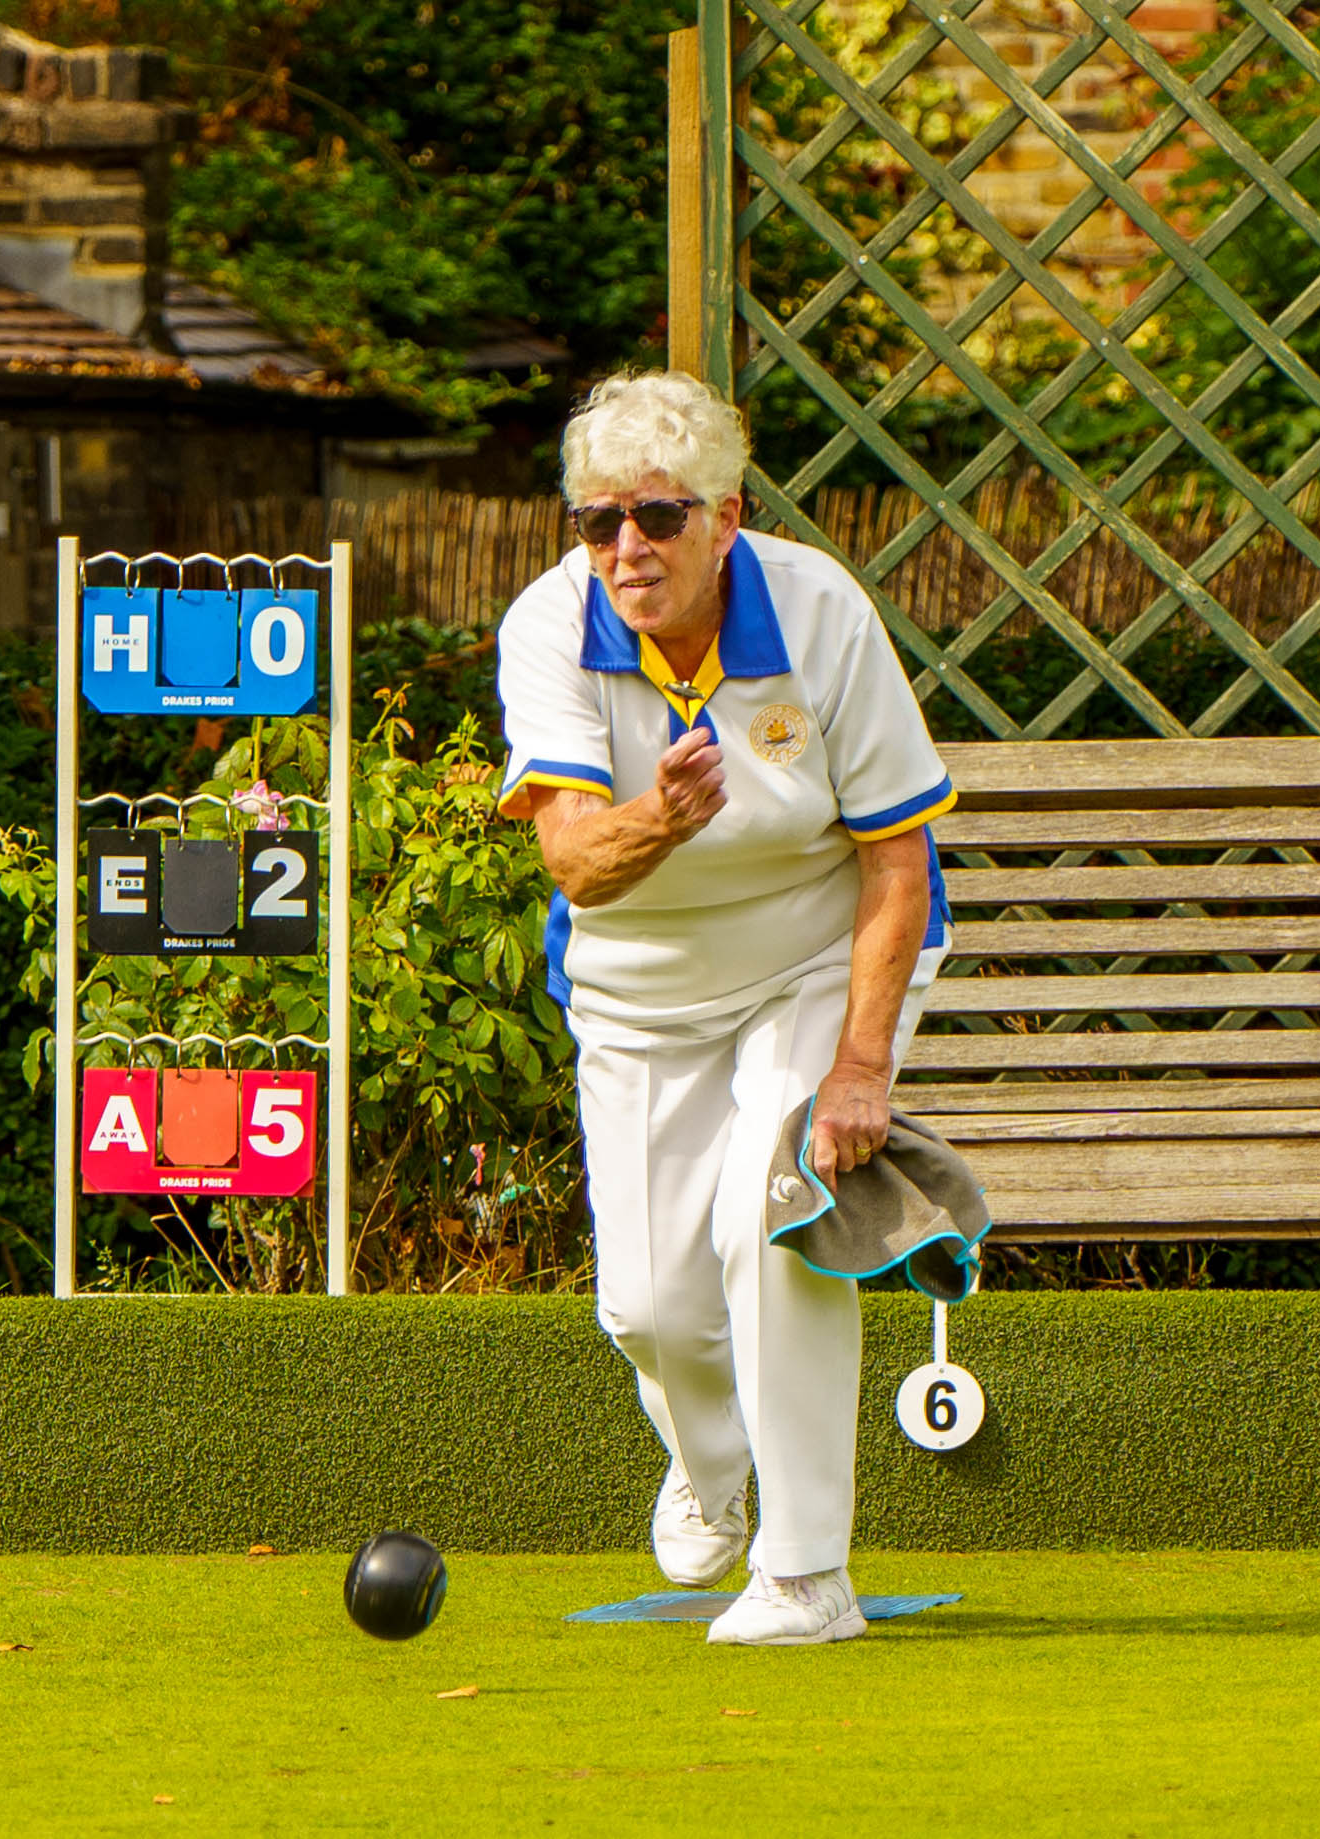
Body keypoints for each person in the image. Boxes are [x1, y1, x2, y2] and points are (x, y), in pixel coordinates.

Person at [496, 370, 958, 1642]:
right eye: (599, 522)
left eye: (658, 515)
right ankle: (712, 1470)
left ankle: (809, 1573)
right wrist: (662, 815)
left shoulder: (818, 610)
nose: (627, 548)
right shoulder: (549, 627)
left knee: (778, 1202)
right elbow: (578, 861)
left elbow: (893, 855)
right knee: (645, 1306)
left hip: (818, 957)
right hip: (639, 987)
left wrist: (859, 1072)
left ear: (725, 516)